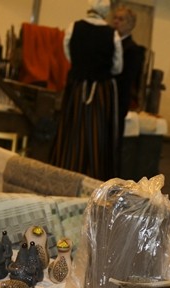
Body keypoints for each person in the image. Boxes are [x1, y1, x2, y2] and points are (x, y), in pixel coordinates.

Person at [50, 0, 122, 181]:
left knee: (72, 128)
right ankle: (96, 176)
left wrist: (82, 68)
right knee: (98, 132)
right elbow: (117, 67)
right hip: (101, 91)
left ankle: (66, 171)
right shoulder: (112, 34)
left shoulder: (73, 27)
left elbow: (68, 54)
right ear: (106, 12)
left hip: (77, 86)